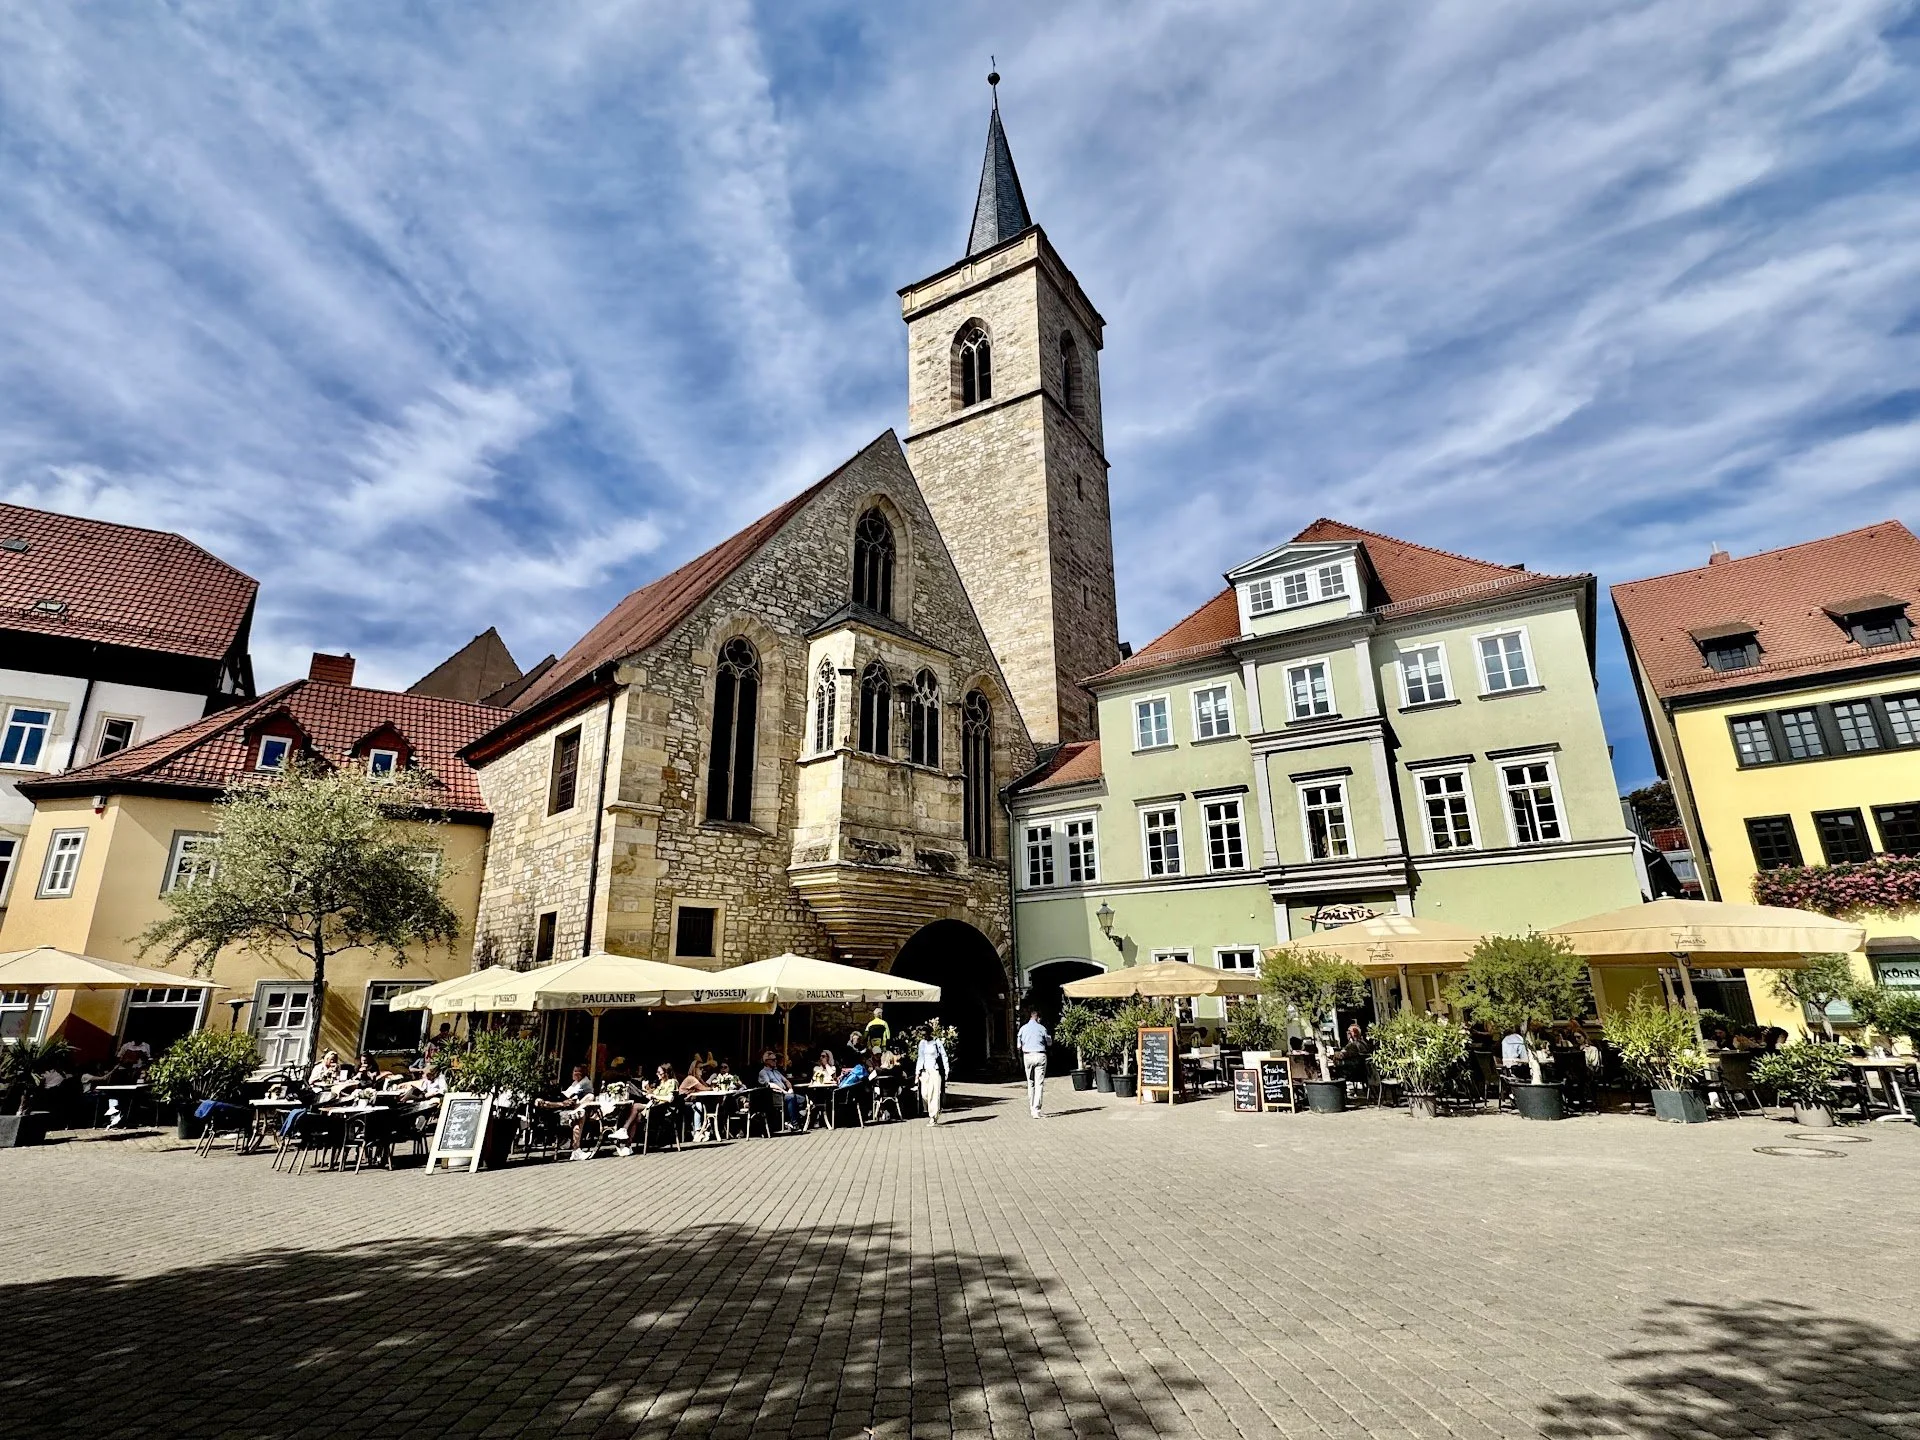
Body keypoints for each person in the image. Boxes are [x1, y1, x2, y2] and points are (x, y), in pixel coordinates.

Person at [915, 1021, 950, 1126]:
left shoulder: (936, 1042)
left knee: (934, 1094)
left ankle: (933, 1117)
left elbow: (944, 1056)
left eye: (925, 1034)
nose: (924, 1036)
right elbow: (920, 1058)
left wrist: (946, 1070)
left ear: (929, 1033)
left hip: (935, 1070)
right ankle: (933, 1111)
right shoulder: (922, 1043)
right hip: (925, 1071)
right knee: (925, 1094)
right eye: (922, 1035)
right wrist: (917, 1072)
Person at [1017, 1008, 1050, 1118]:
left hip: (1027, 1056)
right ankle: (1037, 1110)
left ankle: (1031, 1108)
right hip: (1040, 1055)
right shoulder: (1042, 1028)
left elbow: (1018, 1045)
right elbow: (1049, 1042)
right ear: (1038, 1018)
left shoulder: (1023, 1029)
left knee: (1030, 1082)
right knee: (1039, 1083)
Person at [759, 1049, 800, 1131]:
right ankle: (794, 1123)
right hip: (775, 1096)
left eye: (776, 1059)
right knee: (791, 1098)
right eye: (773, 1060)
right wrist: (784, 1092)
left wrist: (790, 1089)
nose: (775, 1061)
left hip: (784, 1094)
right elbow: (770, 1084)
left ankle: (795, 1120)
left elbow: (786, 1081)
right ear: (766, 1061)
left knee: (803, 1099)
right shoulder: (763, 1072)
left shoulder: (776, 1071)